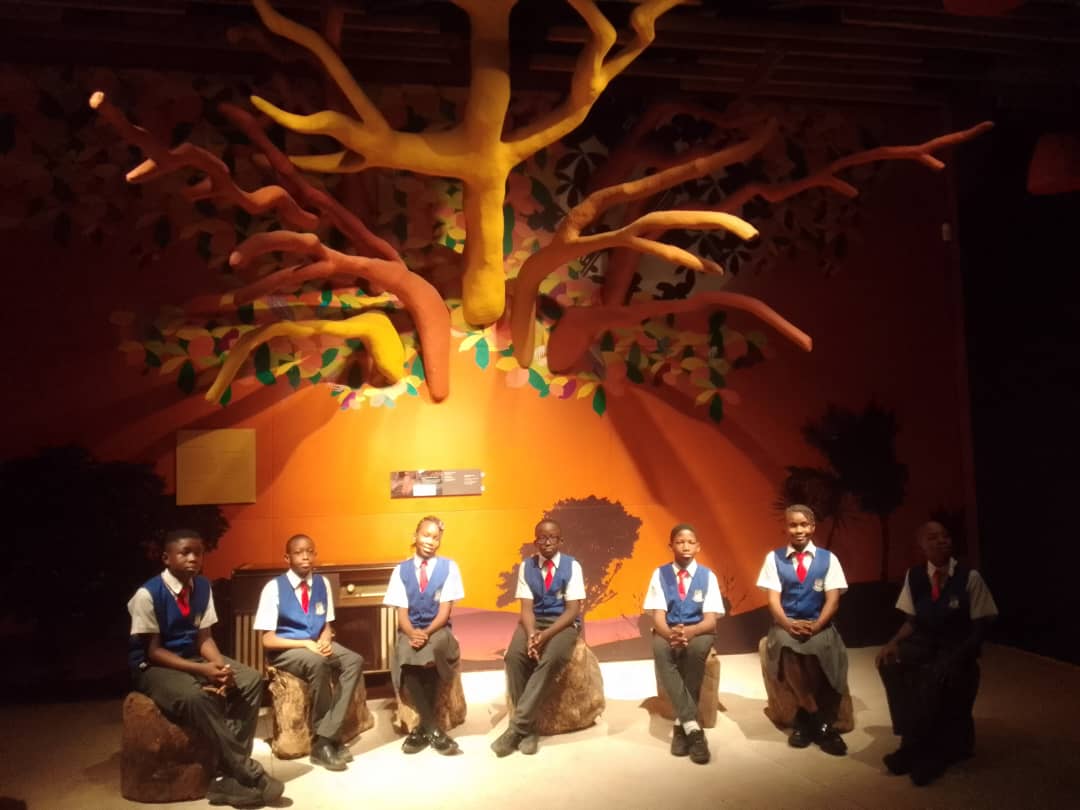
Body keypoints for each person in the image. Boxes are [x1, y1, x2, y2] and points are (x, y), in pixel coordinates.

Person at [127, 529, 285, 809]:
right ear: (166, 558)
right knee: (195, 696)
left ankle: (229, 771)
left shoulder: (202, 586)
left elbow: (205, 639)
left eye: (198, 553)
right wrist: (203, 672)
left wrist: (220, 667)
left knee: (249, 679)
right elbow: (154, 652)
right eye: (185, 552)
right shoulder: (147, 594)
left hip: (190, 656)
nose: (193, 558)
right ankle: (246, 770)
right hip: (153, 666)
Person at [876, 520, 998, 786]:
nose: (941, 540)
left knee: (934, 675)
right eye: (932, 537)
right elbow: (912, 621)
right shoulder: (915, 576)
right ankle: (911, 740)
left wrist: (955, 659)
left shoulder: (969, 577)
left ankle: (934, 753)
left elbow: (980, 628)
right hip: (925, 643)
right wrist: (892, 642)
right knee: (890, 662)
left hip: (957, 646)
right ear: (921, 545)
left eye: (945, 536)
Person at [253, 534, 364, 771]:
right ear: (287, 558)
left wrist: (325, 640)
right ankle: (324, 741)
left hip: (315, 643)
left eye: (309, 552)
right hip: (287, 649)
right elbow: (267, 639)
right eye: (298, 552)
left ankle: (327, 736)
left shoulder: (322, 584)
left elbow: (326, 625)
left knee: (354, 661)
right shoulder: (274, 588)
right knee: (318, 663)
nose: (305, 557)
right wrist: (305, 643)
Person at [756, 504, 849, 756]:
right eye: (793, 525)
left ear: (812, 527)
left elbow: (833, 600)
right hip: (785, 624)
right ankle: (818, 719)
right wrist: (788, 624)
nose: (799, 530)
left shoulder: (828, 559)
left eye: (804, 524)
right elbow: (773, 600)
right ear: (786, 528)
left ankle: (804, 722)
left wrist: (817, 625)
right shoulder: (773, 558)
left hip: (819, 624)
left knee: (816, 649)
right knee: (789, 648)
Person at [491, 518, 585, 757]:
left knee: (551, 659)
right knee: (513, 657)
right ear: (536, 542)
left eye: (552, 537)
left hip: (562, 624)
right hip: (534, 622)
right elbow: (526, 608)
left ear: (560, 541)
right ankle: (529, 730)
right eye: (542, 537)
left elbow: (572, 610)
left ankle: (517, 727)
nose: (547, 542)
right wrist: (532, 634)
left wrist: (545, 636)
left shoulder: (572, 566)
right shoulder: (527, 566)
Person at [383, 515, 465, 755]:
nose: (430, 541)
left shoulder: (449, 568)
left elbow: (445, 612)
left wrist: (426, 633)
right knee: (406, 652)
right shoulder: (401, 570)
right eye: (426, 535)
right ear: (415, 536)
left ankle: (422, 730)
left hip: (438, 630)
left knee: (434, 649)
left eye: (435, 538)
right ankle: (433, 729)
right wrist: (412, 633)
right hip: (409, 629)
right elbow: (401, 613)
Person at [643, 523, 724, 764]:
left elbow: (710, 620)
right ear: (671, 546)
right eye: (680, 542)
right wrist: (670, 635)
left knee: (695, 652)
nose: (685, 546)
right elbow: (658, 615)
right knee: (661, 651)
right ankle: (692, 726)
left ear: (698, 547)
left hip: (699, 630)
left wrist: (690, 631)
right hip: (668, 630)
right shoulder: (660, 574)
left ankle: (681, 724)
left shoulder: (707, 576)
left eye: (690, 542)